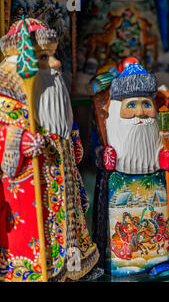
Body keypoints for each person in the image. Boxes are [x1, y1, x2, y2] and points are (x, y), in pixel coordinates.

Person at [0, 18, 98, 281]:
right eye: (43, 58)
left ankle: (72, 267)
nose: (55, 65)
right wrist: (20, 144)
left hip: (64, 196)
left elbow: (72, 145)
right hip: (31, 199)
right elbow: (6, 157)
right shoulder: (8, 106)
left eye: (53, 56)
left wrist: (72, 141)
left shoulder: (54, 98)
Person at [92, 61, 169, 276]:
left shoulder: (156, 127)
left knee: (158, 220)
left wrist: (165, 158)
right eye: (131, 105)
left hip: (153, 181)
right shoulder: (111, 126)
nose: (141, 113)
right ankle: (121, 262)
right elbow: (96, 150)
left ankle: (158, 260)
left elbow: (162, 145)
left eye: (146, 104)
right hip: (121, 182)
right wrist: (104, 157)